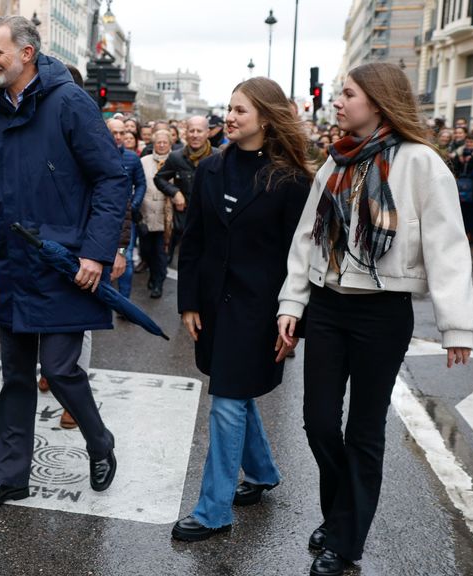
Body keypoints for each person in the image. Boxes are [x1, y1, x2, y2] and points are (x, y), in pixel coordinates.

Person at [277, 62, 473, 576]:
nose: (337, 103)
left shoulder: (422, 164)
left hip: (382, 314)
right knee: (319, 421)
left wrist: (456, 325)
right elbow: (306, 240)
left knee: (364, 430)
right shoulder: (333, 162)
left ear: (378, 101)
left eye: (347, 94)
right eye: (339, 94)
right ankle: (342, 515)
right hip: (327, 305)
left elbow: (448, 246)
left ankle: (343, 541)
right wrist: (292, 304)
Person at [0, 15, 127, 510]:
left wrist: (98, 252)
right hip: (13, 266)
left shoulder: (70, 103)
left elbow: (111, 179)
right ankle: (9, 477)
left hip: (63, 265)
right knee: (15, 375)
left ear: (27, 53)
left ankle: (100, 442)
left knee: (59, 369)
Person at [173, 76, 312, 542]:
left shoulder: (292, 181)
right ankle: (263, 472)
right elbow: (192, 240)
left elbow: (301, 257)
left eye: (240, 110)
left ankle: (213, 510)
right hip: (213, 306)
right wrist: (188, 301)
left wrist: (295, 319)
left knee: (226, 401)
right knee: (233, 391)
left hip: (259, 311)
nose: (229, 117)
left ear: (266, 119)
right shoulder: (211, 169)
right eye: (228, 108)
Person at [155, 115, 214, 263]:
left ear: (208, 133)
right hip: (184, 221)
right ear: (185, 133)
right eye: (191, 130)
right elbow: (159, 178)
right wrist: (175, 192)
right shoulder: (176, 157)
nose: (195, 135)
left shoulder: (219, 156)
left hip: (210, 221)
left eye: (199, 131)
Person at [106, 118, 145, 302]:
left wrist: (134, 204)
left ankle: (123, 301)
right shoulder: (97, 154)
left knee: (126, 258)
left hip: (126, 219)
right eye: (114, 133)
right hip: (102, 217)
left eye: (122, 133)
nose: (119, 136)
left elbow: (141, 184)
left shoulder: (132, 157)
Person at [138, 129, 172, 298]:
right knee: (146, 250)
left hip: (166, 217)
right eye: (158, 142)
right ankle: (152, 275)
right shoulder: (144, 161)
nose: (161, 145)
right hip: (145, 212)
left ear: (170, 144)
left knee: (160, 253)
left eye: (165, 142)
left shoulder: (176, 160)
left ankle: (158, 283)